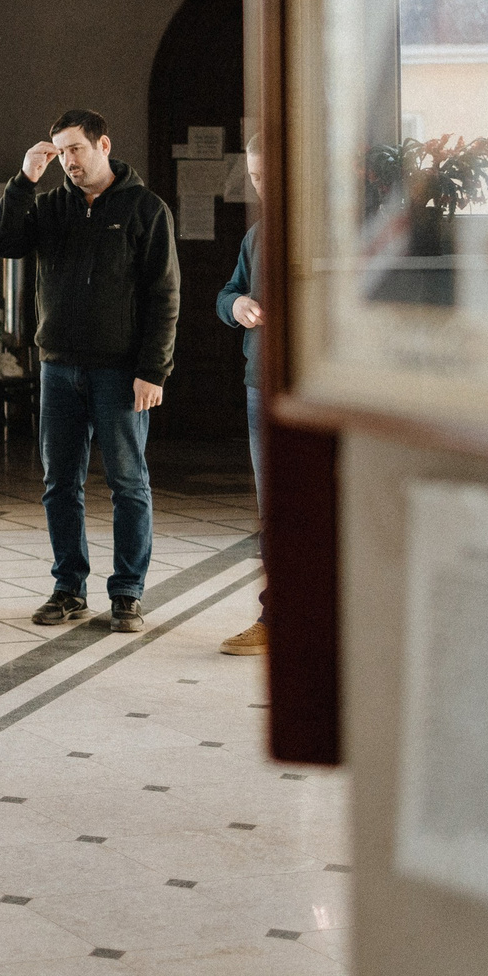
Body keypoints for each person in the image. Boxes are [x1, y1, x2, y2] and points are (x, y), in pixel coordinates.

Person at [0, 108, 180, 631]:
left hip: (121, 371)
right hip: (59, 368)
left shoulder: (146, 209)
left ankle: (126, 594)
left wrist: (153, 371)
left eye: (76, 149)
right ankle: (68, 588)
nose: (68, 161)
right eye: (60, 152)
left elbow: (165, 296)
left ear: (103, 145)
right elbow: (2, 244)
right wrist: (24, 180)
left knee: (128, 482)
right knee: (59, 484)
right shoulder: (50, 206)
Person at [217, 134, 267, 656]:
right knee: (271, 510)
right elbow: (227, 291)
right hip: (261, 384)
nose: (262, 186)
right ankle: (274, 618)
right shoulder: (256, 235)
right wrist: (237, 308)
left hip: (313, 388)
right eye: (255, 178)